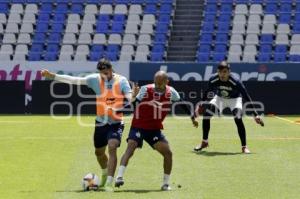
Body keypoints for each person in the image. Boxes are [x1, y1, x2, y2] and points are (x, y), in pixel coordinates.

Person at [41, 58, 136, 192]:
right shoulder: (94, 79)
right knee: (99, 153)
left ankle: (109, 183)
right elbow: (74, 80)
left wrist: (132, 96)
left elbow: (129, 97)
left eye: (107, 72)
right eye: (102, 73)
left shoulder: (121, 81)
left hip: (116, 122)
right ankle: (104, 174)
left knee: (112, 146)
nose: (104, 75)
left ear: (111, 70)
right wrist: (53, 76)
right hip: (100, 122)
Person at [114, 70, 198, 191]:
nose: (157, 86)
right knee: (131, 147)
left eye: (160, 83)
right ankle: (119, 177)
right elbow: (134, 105)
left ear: (166, 82)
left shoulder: (171, 92)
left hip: (154, 129)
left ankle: (165, 184)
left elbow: (182, 104)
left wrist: (192, 118)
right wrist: (118, 110)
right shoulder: (145, 89)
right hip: (139, 125)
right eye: (156, 83)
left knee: (168, 153)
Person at [193, 61, 264, 154]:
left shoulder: (235, 81)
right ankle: (204, 142)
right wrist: (200, 105)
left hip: (234, 99)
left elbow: (246, 95)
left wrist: (255, 114)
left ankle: (244, 147)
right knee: (207, 115)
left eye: (225, 72)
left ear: (229, 72)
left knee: (238, 119)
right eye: (220, 72)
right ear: (217, 72)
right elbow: (207, 91)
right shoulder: (213, 79)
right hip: (220, 98)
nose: (222, 74)